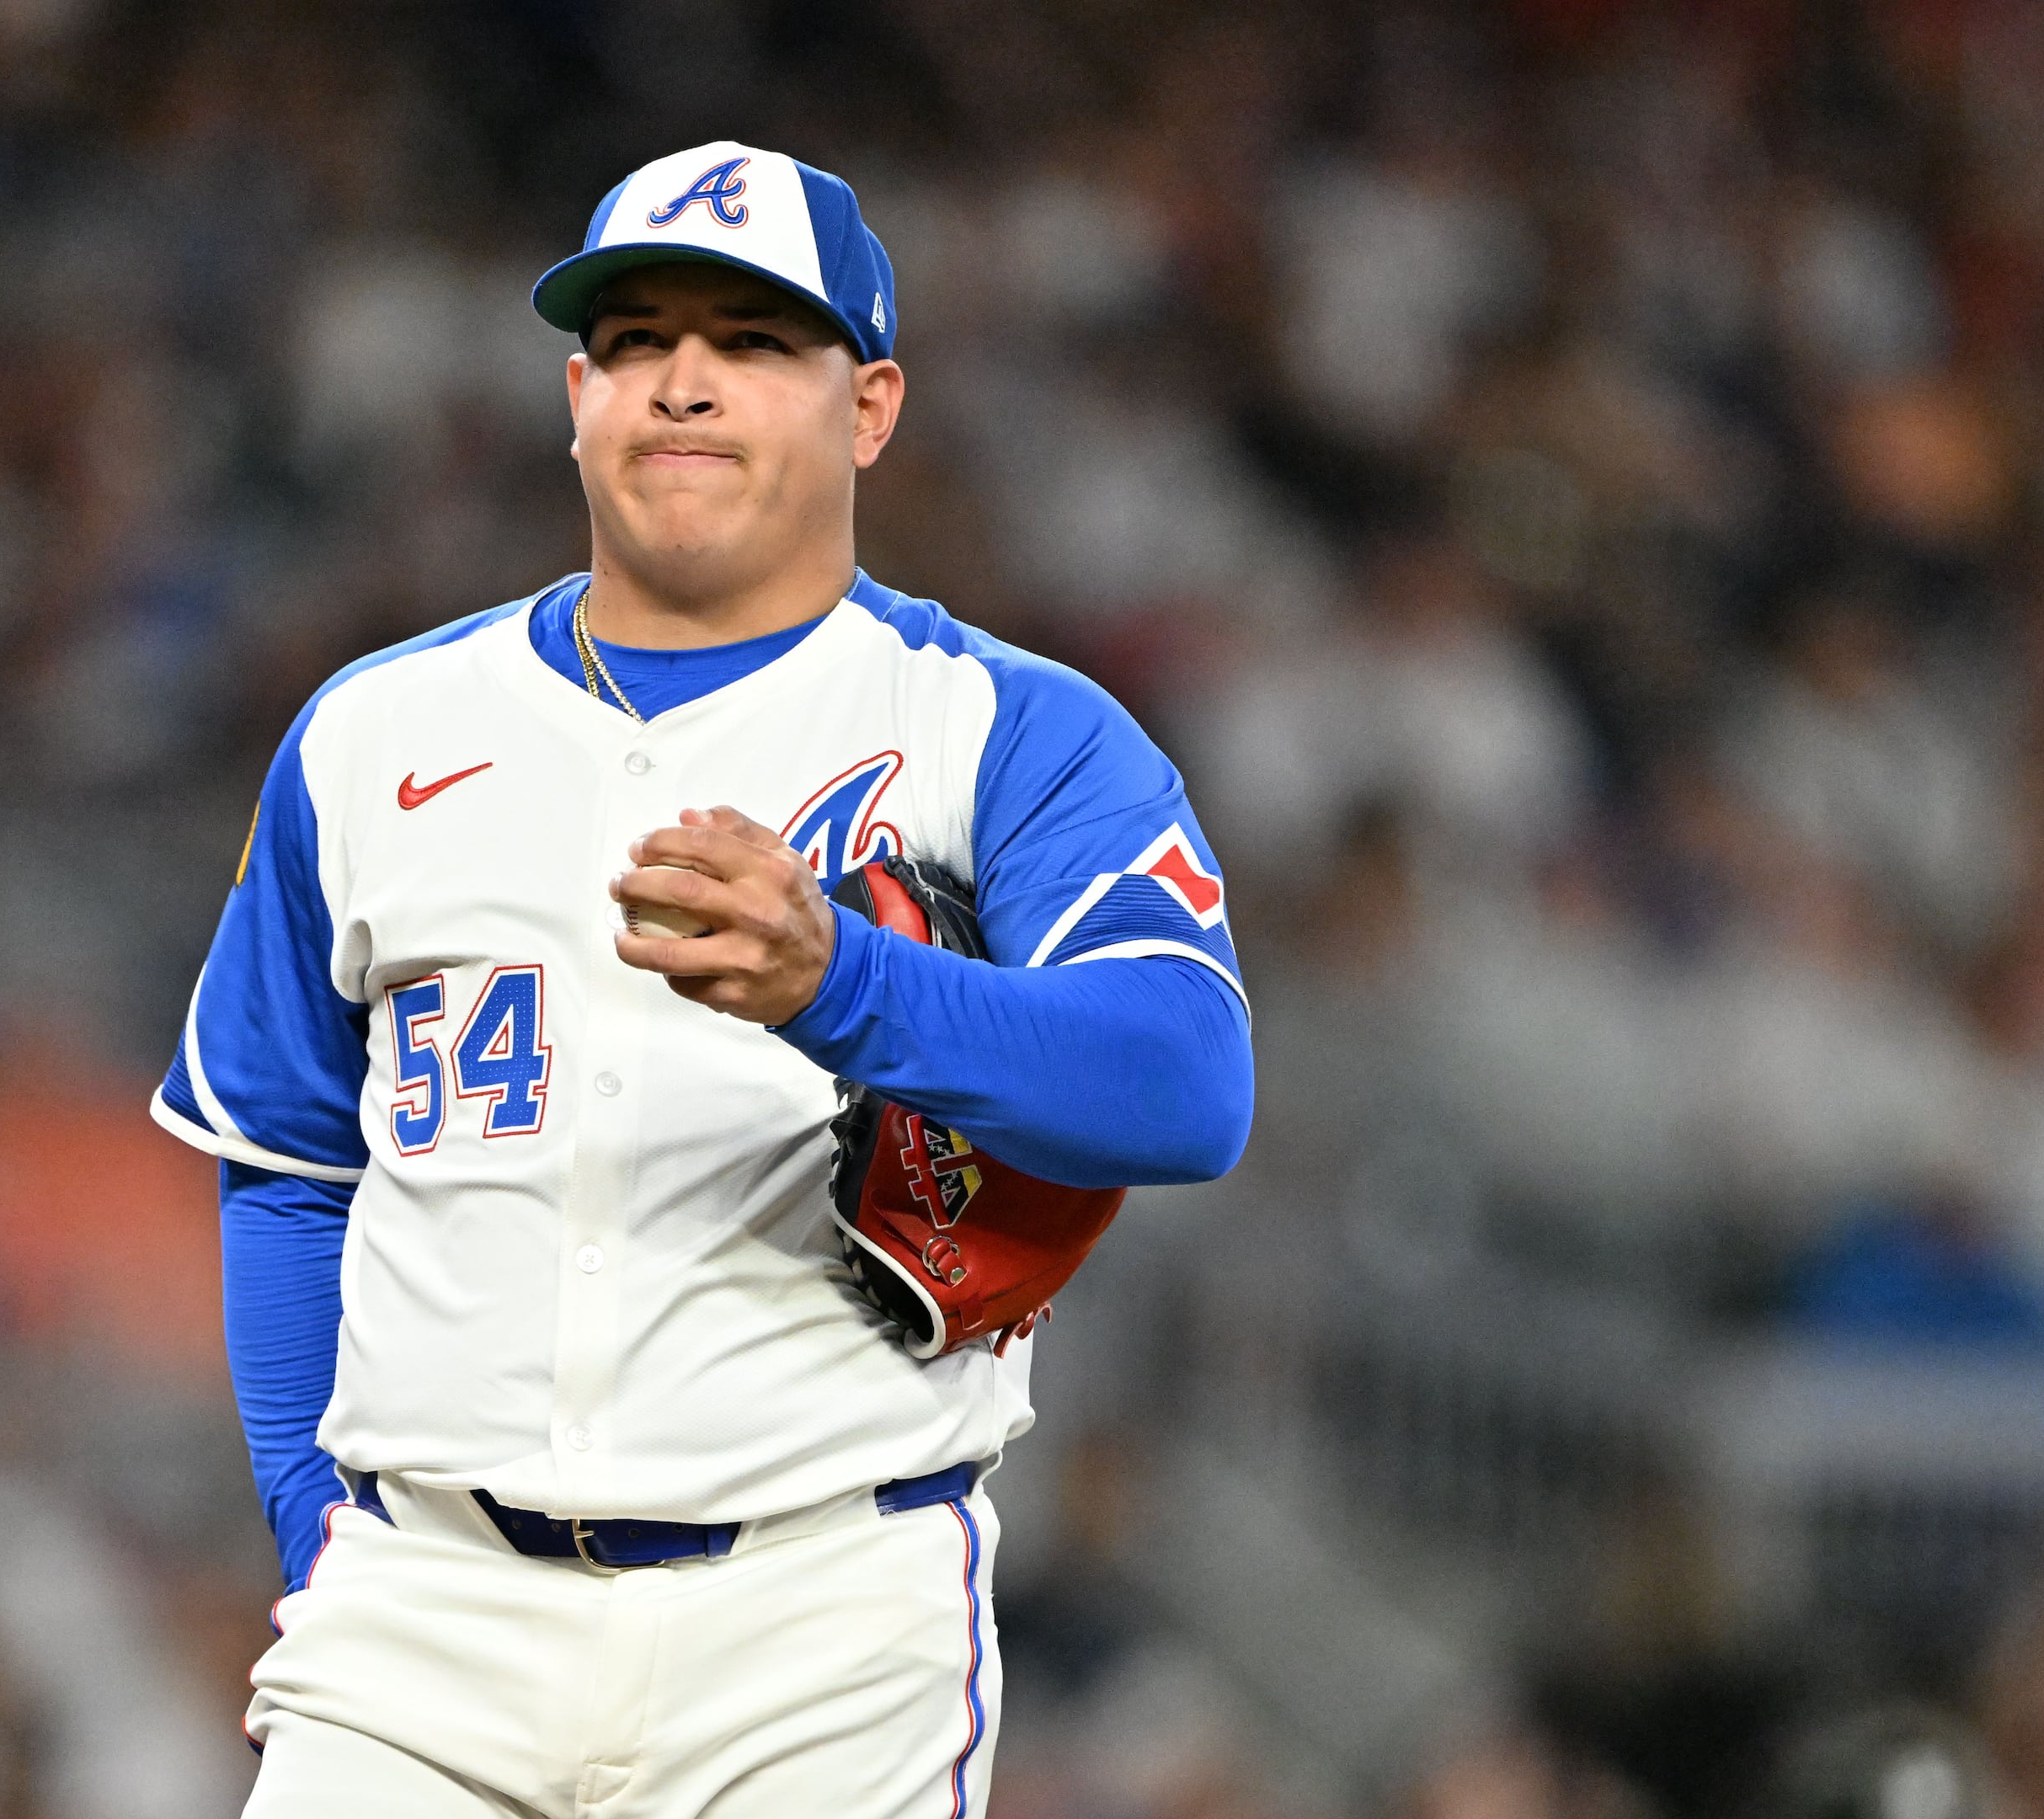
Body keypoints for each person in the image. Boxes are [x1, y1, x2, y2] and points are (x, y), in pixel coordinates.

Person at [152, 141, 1255, 1816]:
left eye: (752, 341)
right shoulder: (375, 734)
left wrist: (851, 987)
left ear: (869, 406)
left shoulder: (995, 730)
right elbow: (289, 1164)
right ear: (575, 397)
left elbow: (1187, 1083)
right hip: (421, 1623)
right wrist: (315, 1520)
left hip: (816, 1618)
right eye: (637, 338)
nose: (683, 381)